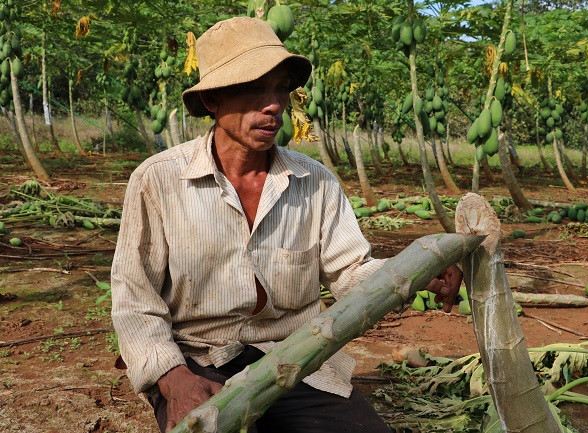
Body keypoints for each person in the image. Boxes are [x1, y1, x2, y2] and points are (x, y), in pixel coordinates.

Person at [111, 17, 463, 433]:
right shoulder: (158, 180)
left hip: (296, 356)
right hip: (197, 358)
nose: (274, 104)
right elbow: (135, 299)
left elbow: (350, 272)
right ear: (212, 101)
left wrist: (412, 270)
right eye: (254, 88)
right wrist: (174, 378)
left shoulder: (313, 180)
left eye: (281, 88)